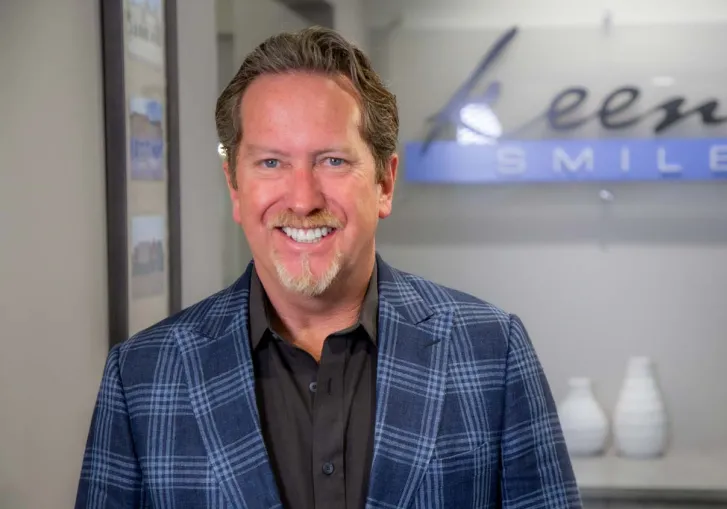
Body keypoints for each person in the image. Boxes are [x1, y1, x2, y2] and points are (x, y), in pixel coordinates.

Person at [76, 26, 581, 509]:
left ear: (385, 183)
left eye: (332, 161)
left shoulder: (492, 352)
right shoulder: (141, 377)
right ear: (234, 186)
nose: (302, 198)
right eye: (271, 162)